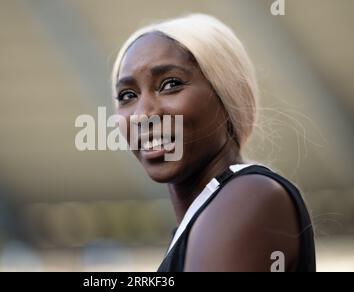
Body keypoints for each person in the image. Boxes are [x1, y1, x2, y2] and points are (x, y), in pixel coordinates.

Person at [111, 13, 315, 272]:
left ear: (226, 95)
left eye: (170, 84)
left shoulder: (248, 196)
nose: (142, 114)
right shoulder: (201, 220)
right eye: (127, 95)